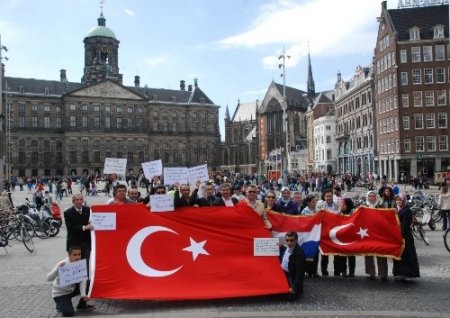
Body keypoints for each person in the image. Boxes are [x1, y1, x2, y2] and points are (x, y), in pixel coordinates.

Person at [46, 246, 95, 316]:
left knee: (89, 283)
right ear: (69, 255)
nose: (77, 257)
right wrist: (57, 268)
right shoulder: (63, 264)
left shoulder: (80, 264)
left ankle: (82, 305)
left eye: (79, 254)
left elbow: (82, 280)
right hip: (60, 293)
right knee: (68, 313)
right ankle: (60, 304)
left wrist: (83, 294)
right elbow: (48, 278)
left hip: (72, 290)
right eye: (74, 255)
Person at [393, 193, 420, 282]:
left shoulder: (407, 211)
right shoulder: (397, 209)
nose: (398, 202)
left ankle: (406, 273)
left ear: (404, 200)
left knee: (406, 255)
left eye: (400, 200)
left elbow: (405, 225)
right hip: (397, 235)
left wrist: (400, 234)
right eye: (397, 200)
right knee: (399, 255)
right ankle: (398, 272)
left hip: (405, 236)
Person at [363, 191, 388, 281]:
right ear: (367, 197)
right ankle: (371, 273)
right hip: (367, 233)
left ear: (376, 197)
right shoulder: (364, 207)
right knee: (369, 253)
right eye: (370, 196)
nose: (372, 197)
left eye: (373, 196)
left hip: (379, 233)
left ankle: (383, 274)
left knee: (381, 253)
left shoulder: (381, 206)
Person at [315, 189, 339, 276]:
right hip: (323, 232)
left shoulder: (336, 205)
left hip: (334, 232)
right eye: (327, 196)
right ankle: (324, 271)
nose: (329, 198)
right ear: (324, 197)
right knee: (324, 253)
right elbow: (319, 214)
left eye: (330, 196)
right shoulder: (319, 205)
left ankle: (337, 271)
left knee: (336, 252)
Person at [64, 194, 94, 262]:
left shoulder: (88, 210)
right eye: (77, 200)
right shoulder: (68, 213)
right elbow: (70, 228)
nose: (79, 201)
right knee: (75, 264)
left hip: (86, 243)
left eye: (81, 199)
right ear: (73, 201)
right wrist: (85, 227)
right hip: (74, 243)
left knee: (85, 263)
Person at [279, 231, 306, 299]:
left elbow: (300, 274)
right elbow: (286, 251)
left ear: (296, 240)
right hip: (284, 274)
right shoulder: (287, 247)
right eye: (287, 240)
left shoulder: (299, 254)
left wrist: (294, 288)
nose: (289, 242)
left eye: (291, 240)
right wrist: (281, 247)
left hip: (291, 277)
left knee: (289, 297)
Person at [334, 198, 356, 277]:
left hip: (350, 236)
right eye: (341, 204)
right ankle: (343, 271)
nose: (343, 206)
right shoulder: (339, 212)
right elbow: (334, 218)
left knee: (351, 255)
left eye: (344, 204)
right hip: (341, 236)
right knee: (342, 255)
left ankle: (351, 271)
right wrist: (339, 210)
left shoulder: (353, 212)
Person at [301, 195, 320, 278]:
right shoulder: (304, 211)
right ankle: (306, 271)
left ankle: (314, 271)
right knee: (307, 253)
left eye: (315, 201)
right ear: (308, 203)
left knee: (315, 252)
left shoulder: (317, 210)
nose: (315, 203)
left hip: (316, 235)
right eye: (313, 202)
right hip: (307, 236)